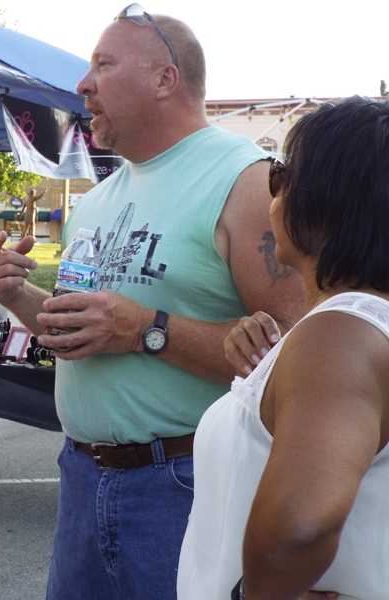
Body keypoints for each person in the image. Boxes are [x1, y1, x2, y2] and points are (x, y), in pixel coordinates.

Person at [0, 5, 305, 599]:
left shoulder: (247, 181)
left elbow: (296, 358)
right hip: (81, 476)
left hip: (185, 485)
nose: (83, 84)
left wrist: (145, 329)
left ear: (164, 79)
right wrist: (15, 293)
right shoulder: (97, 197)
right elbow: (77, 328)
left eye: (103, 65)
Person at [178, 97, 389, 600]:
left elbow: (300, 528)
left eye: (280, 176)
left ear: (324, 203)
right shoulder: (351, 327)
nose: (273, 193)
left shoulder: (342, 331)